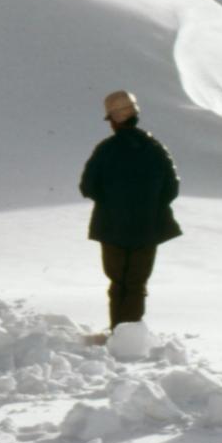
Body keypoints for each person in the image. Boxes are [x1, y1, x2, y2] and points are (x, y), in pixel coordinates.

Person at [78, 90, 181, 330]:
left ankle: (118, 331)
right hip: (148, 229)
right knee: (137, 284)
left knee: (118, 283)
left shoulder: (106, 150)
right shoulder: (156, 149)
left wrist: (112, 203)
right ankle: (130, 333)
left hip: (111, 228)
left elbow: (88, 186)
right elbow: (171, 189)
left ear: (114, 120)